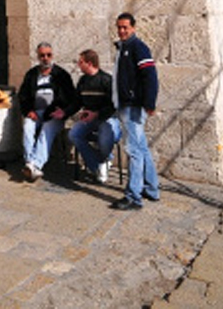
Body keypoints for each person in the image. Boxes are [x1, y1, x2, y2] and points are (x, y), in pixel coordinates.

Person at [110, 12, 160, 210]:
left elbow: (150, 76)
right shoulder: (123, 48)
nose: (122, 31)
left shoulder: (137, 47)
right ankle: (151, 188)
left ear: (133, 28)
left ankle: (133, 196)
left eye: (125, 27)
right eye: (119, 27)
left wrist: (149, 103)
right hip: (125, 105)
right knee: (142, 148)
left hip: (133, 106)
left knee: (134, 151)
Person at [18, 42, 76, 181]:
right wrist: (29, 111)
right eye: (42, 55)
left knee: (46, 129)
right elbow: (23, 96)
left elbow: (70, 98)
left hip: (54, 115)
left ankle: (34, 165)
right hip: (36, 113)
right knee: (27, 127)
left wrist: (61, 112)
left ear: (52, 55)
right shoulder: (31, 75)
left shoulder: (62, 75)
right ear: (38, 56)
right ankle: (30, 162)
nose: (45, 58)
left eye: (48, 55)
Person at [66, 49, 121, 184]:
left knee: (104, 138)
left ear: (89, 63)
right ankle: (98, 165)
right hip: (89, 119)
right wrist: (65, 112)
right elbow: (77, 102)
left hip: (107, 118)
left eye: (81, 62)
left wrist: (96, 114)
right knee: (74, 134)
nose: (78, 65)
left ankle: (104, 160)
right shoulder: (83, 81)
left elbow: (114, 106)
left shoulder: (106, 80)